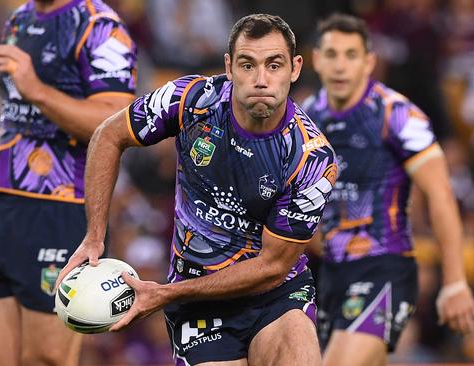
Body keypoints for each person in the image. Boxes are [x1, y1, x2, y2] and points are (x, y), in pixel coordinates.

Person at [58, 14, 336, 366]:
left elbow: (271, 266)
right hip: (198, 299)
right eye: (247, 65)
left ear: (295, 69)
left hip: (276, 295)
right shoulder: (191, 99)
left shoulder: (311, 158)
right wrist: (94, 236)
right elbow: (108, 136)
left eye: (274, 65)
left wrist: (165, 293)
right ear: (229, 67)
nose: (261, 79)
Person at [0, 0, 137, 364]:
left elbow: (116, 124)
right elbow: (11, 124)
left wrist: (37, 89)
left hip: (62, 208)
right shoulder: (20, 18)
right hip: (3, 207)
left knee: (47, 358)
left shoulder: (100, 26)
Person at [303, 14, 474, 366]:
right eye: (332, 54)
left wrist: (455, 280)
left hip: (383, 266)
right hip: (328, 274)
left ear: (369, 62)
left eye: (351, 55)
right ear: (316, 60)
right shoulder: (306, 118)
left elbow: (440, 193)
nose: (340, 66)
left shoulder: (396, 115)